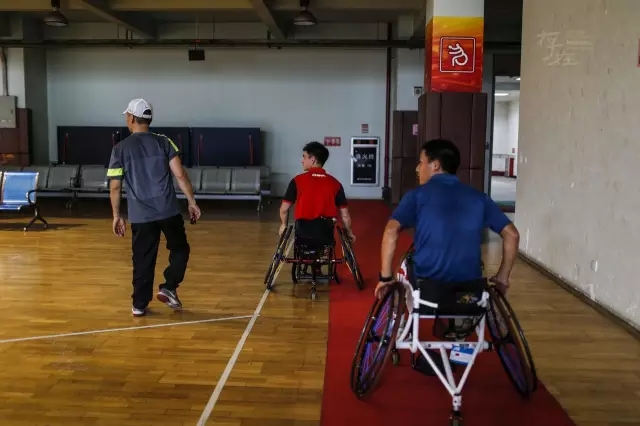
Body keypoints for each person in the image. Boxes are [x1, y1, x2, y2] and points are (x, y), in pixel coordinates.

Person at [374, 138, 519, 299]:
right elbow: (512, 235)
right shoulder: (479, 198)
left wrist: (385, 278)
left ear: (435, 165)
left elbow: (391, 230)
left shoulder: (417, 196)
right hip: (470, 283)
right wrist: (502, 276)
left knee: (402, 266)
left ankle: (398, 320)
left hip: (427, 282)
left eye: (421, 162)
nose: (417, 168)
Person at [107, 98, 202, 317]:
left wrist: (116, 215)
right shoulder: (164, 142)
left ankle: (139, 304)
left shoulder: (120, 149)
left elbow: (115, 187)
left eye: (126, 116)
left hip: (141, 216)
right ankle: (169, 286)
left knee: (142, 258)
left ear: (131, 118)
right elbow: (180, 174)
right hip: (168, 210)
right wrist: (191, 201)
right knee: (180, 248)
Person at [279, 141, 356, 243]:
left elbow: (284, 210)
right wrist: (349, 231)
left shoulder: (297, 181)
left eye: (304, 157)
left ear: (313, 159)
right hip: (325, 234)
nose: (302, 161)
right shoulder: (336, 184)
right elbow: (345, 215)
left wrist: (283, 225)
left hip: (302, 232)